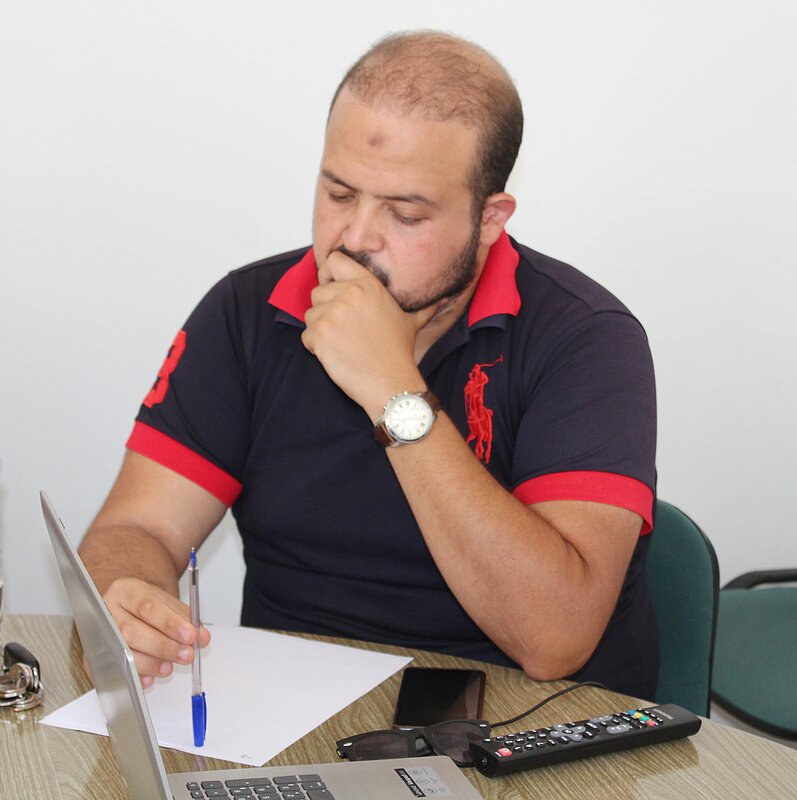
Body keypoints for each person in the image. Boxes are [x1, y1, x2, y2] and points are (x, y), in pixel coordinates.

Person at [79, 31, 658, 698]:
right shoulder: (247, 312)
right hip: (288, 714)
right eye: (338, 194)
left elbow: (554, 638)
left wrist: (391, 390)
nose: (354, 239)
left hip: (523, 722)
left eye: (405, 214)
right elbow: (137, 528)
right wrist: (127, 600)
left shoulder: (586, 338)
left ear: (489, 218)